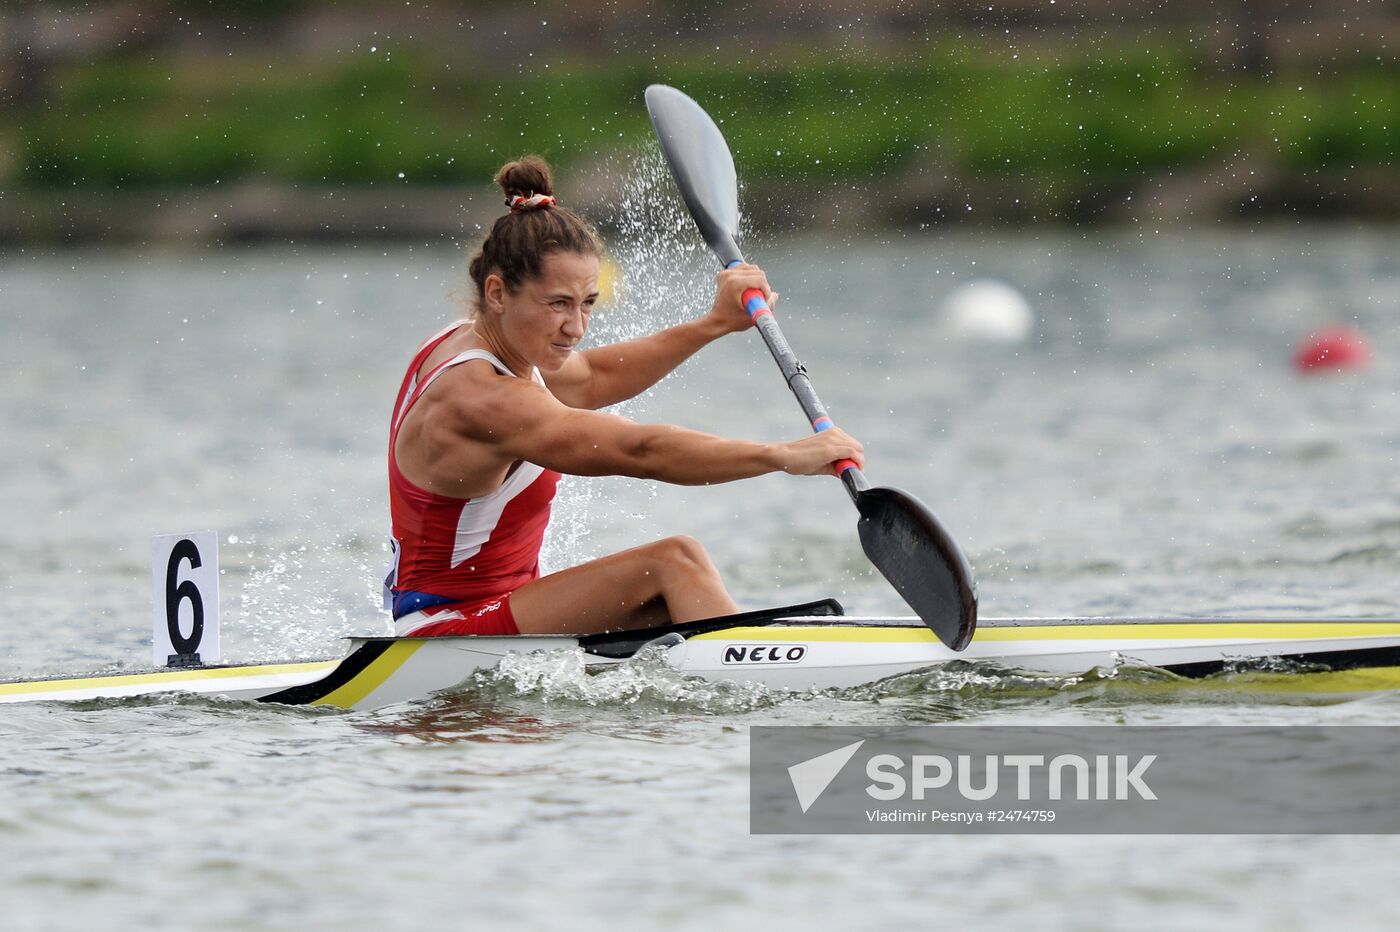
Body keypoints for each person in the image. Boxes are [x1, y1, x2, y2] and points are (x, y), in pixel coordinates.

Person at [385, 155, 864, 637]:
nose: (575, 327)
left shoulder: (486, 340)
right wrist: (782, 455)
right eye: (558, 305)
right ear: (497, 292)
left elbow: (591, 377)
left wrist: (715, 323)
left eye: (587, 304)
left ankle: (739, 666)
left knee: (680, 599)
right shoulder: (481, 397)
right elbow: (640, 450)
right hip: (445, 628)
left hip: (500, 608)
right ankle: (756, 678)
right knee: (675, 561)